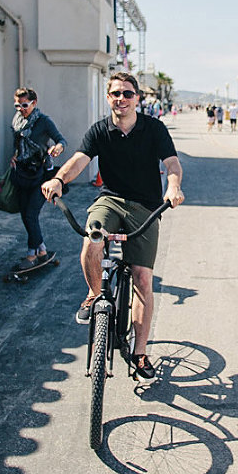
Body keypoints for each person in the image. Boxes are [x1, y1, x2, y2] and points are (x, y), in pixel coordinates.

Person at [42, 72, 184, 380]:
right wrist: (58, 179)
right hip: (111, 200)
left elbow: (171, 163)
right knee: (92, 239)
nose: (121, 98)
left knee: (143, 280)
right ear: (109, 98)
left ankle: (141, 352)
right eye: (116, 93)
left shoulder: (153, 128)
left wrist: (173, 187)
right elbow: (79, 160)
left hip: (145, 206)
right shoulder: (99, 130)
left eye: (128, 93)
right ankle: (94, 294)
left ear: (137, 98)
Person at [10, 87, 66, 267]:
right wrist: (14, 155)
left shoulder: (43, 121)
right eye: (17, 105)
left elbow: (61, 140)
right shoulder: (17, 120)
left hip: (40, 174)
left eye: (24, 105)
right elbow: (17, 143)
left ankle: (31, 254)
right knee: (25, 214)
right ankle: (41, 249)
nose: (20, 109)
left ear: (34, 103)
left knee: (31, 214)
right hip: (21, 173)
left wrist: (57, 148)